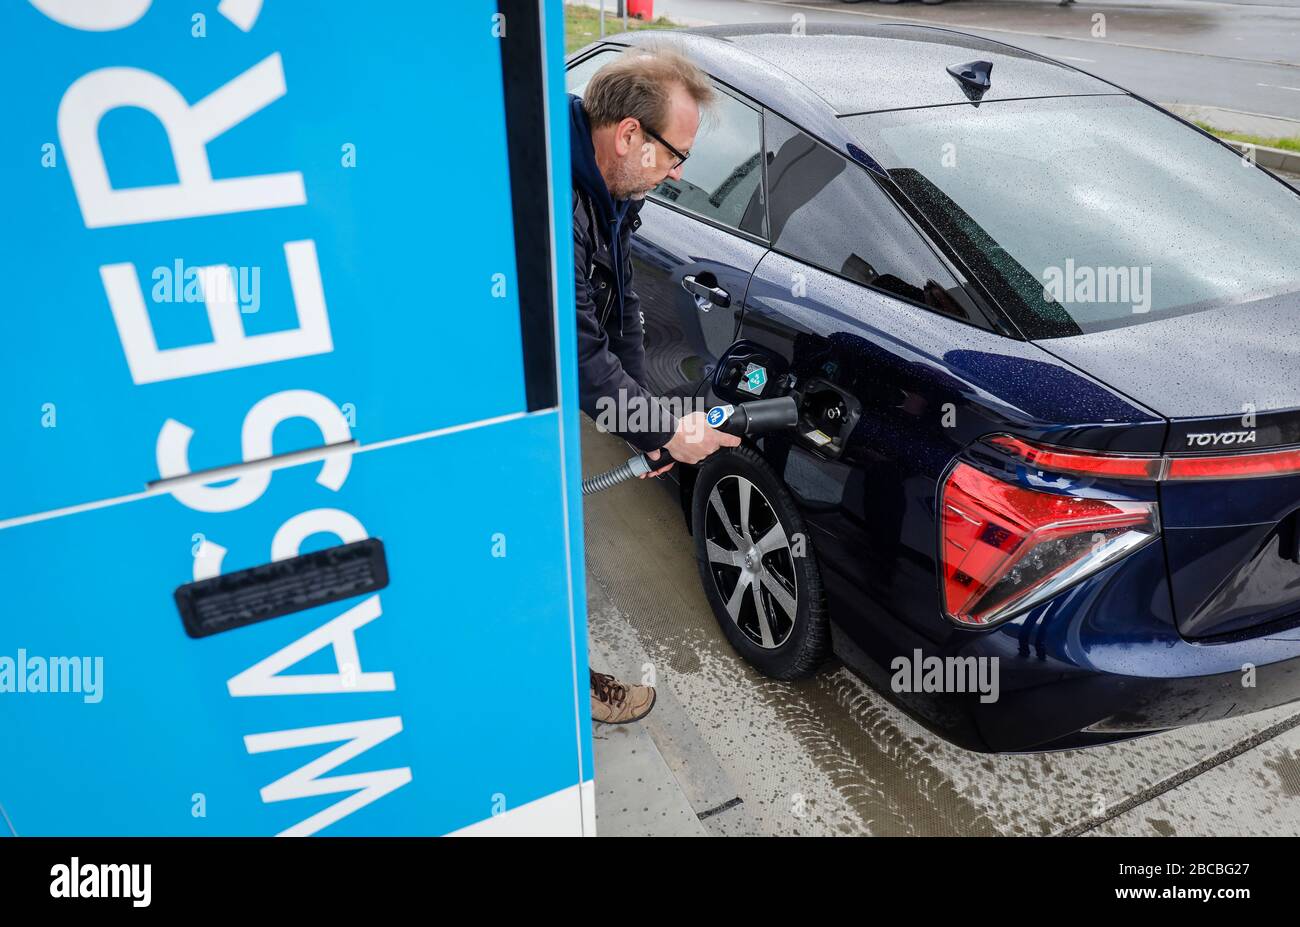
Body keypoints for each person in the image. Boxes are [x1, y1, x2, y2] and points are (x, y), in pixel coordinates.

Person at [571, 49, 740, 724]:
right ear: (629, 135)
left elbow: (624, 313)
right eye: (676, 155)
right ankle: (554, 695)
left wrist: (647, 423)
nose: (677, 174)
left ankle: (559, 678)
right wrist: (667, 431)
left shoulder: (610, 192)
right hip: (480, 412)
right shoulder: (553, 202)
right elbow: (581, 354)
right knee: (523, 559)